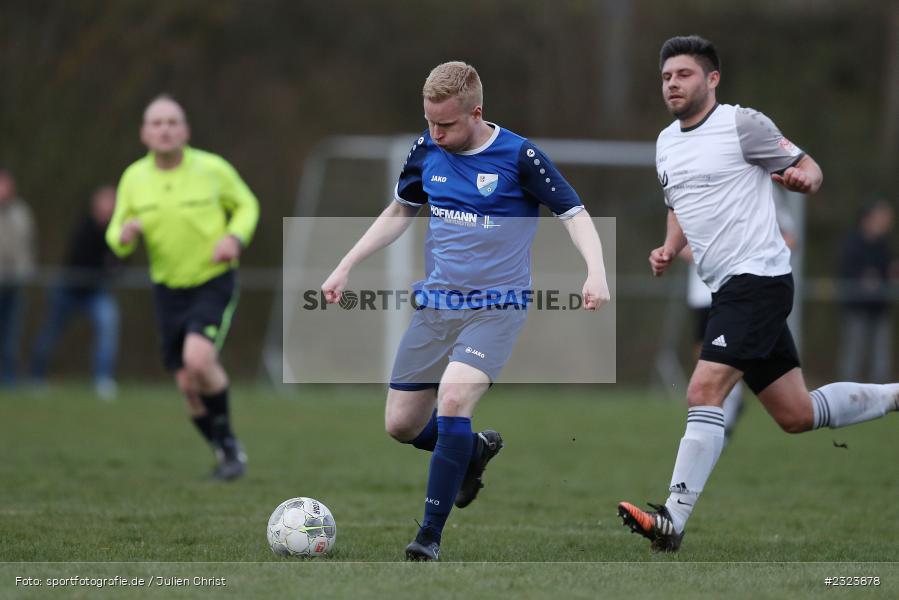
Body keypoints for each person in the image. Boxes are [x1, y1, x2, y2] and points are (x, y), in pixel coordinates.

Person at [618, 36, 899, 552]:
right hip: (726, 287)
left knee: (704, 392)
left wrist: (803, 181)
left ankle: (671, 520)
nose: (673, 84)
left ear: (712, 79)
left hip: (759, 281)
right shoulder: (665, 143)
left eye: (683, 74)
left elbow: (808, 165)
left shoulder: (741, 124)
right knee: (796, 414)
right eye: (666, 77)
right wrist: (668, 246)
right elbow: (678, 203)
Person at [321, 61, 610, 561]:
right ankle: (471, 450)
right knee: (401, 424)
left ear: (476, 112)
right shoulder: (425, 149)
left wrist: (596, 271)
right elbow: (400, 210)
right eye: (430, 122)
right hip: (437, 307)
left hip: (497, 308)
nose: (436, 133)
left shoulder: (519, 157)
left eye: (446, 124)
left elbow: (574, 213)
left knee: (453, 397)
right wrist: (347, 263)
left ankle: (428, 538)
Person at [106, 95, 259, 480]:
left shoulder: (211, 168)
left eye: (172, 122)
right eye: (156, 123)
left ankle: (229, 450)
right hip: (167, 290)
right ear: (144, 133)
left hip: (212, 280)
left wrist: (234, 238)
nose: (165, 129)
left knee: (198, 360)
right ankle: (227, 452)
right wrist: (124, 235)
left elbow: (246, 205)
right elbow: (115, 231)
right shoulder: (134, 178)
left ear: (185, 131)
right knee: (188, 386)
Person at [30, 185, 120, 399]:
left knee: (108, 326)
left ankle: (103, 379)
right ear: (95, 204)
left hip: (96, 293)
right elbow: (80, 258)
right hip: (69, 291)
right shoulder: (84, 227)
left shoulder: (117, 231)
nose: (109, 207)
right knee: (50, 332)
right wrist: (105, 262)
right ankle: (35, 376)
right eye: (105, 202)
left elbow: (120, 262)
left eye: (113, 202)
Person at [837, 199, 894, 382]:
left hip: (879, 307)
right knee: (854, 353)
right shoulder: (853, 243)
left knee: (881, 355)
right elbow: (845, 270)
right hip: (857, 308)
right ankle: (847, 391)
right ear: (868, 218)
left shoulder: (884, 245)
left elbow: (888, 271)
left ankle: (881, 395)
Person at [0, 167, 36, 387]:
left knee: (11, 334)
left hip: (15, 283)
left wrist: (25, 272)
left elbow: (27, 246)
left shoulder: (22, 213)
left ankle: (9, 379)